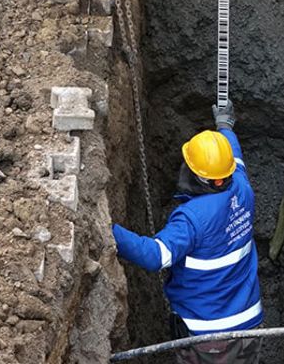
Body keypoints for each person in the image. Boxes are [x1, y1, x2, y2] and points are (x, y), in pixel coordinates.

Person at [111, 101, 263, 363]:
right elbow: (234, 156)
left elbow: (155, 256)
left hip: (208, 335)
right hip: (250, 323)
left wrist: (108, 229)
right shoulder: (242, 187)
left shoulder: (193, 218)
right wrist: (225, 126)